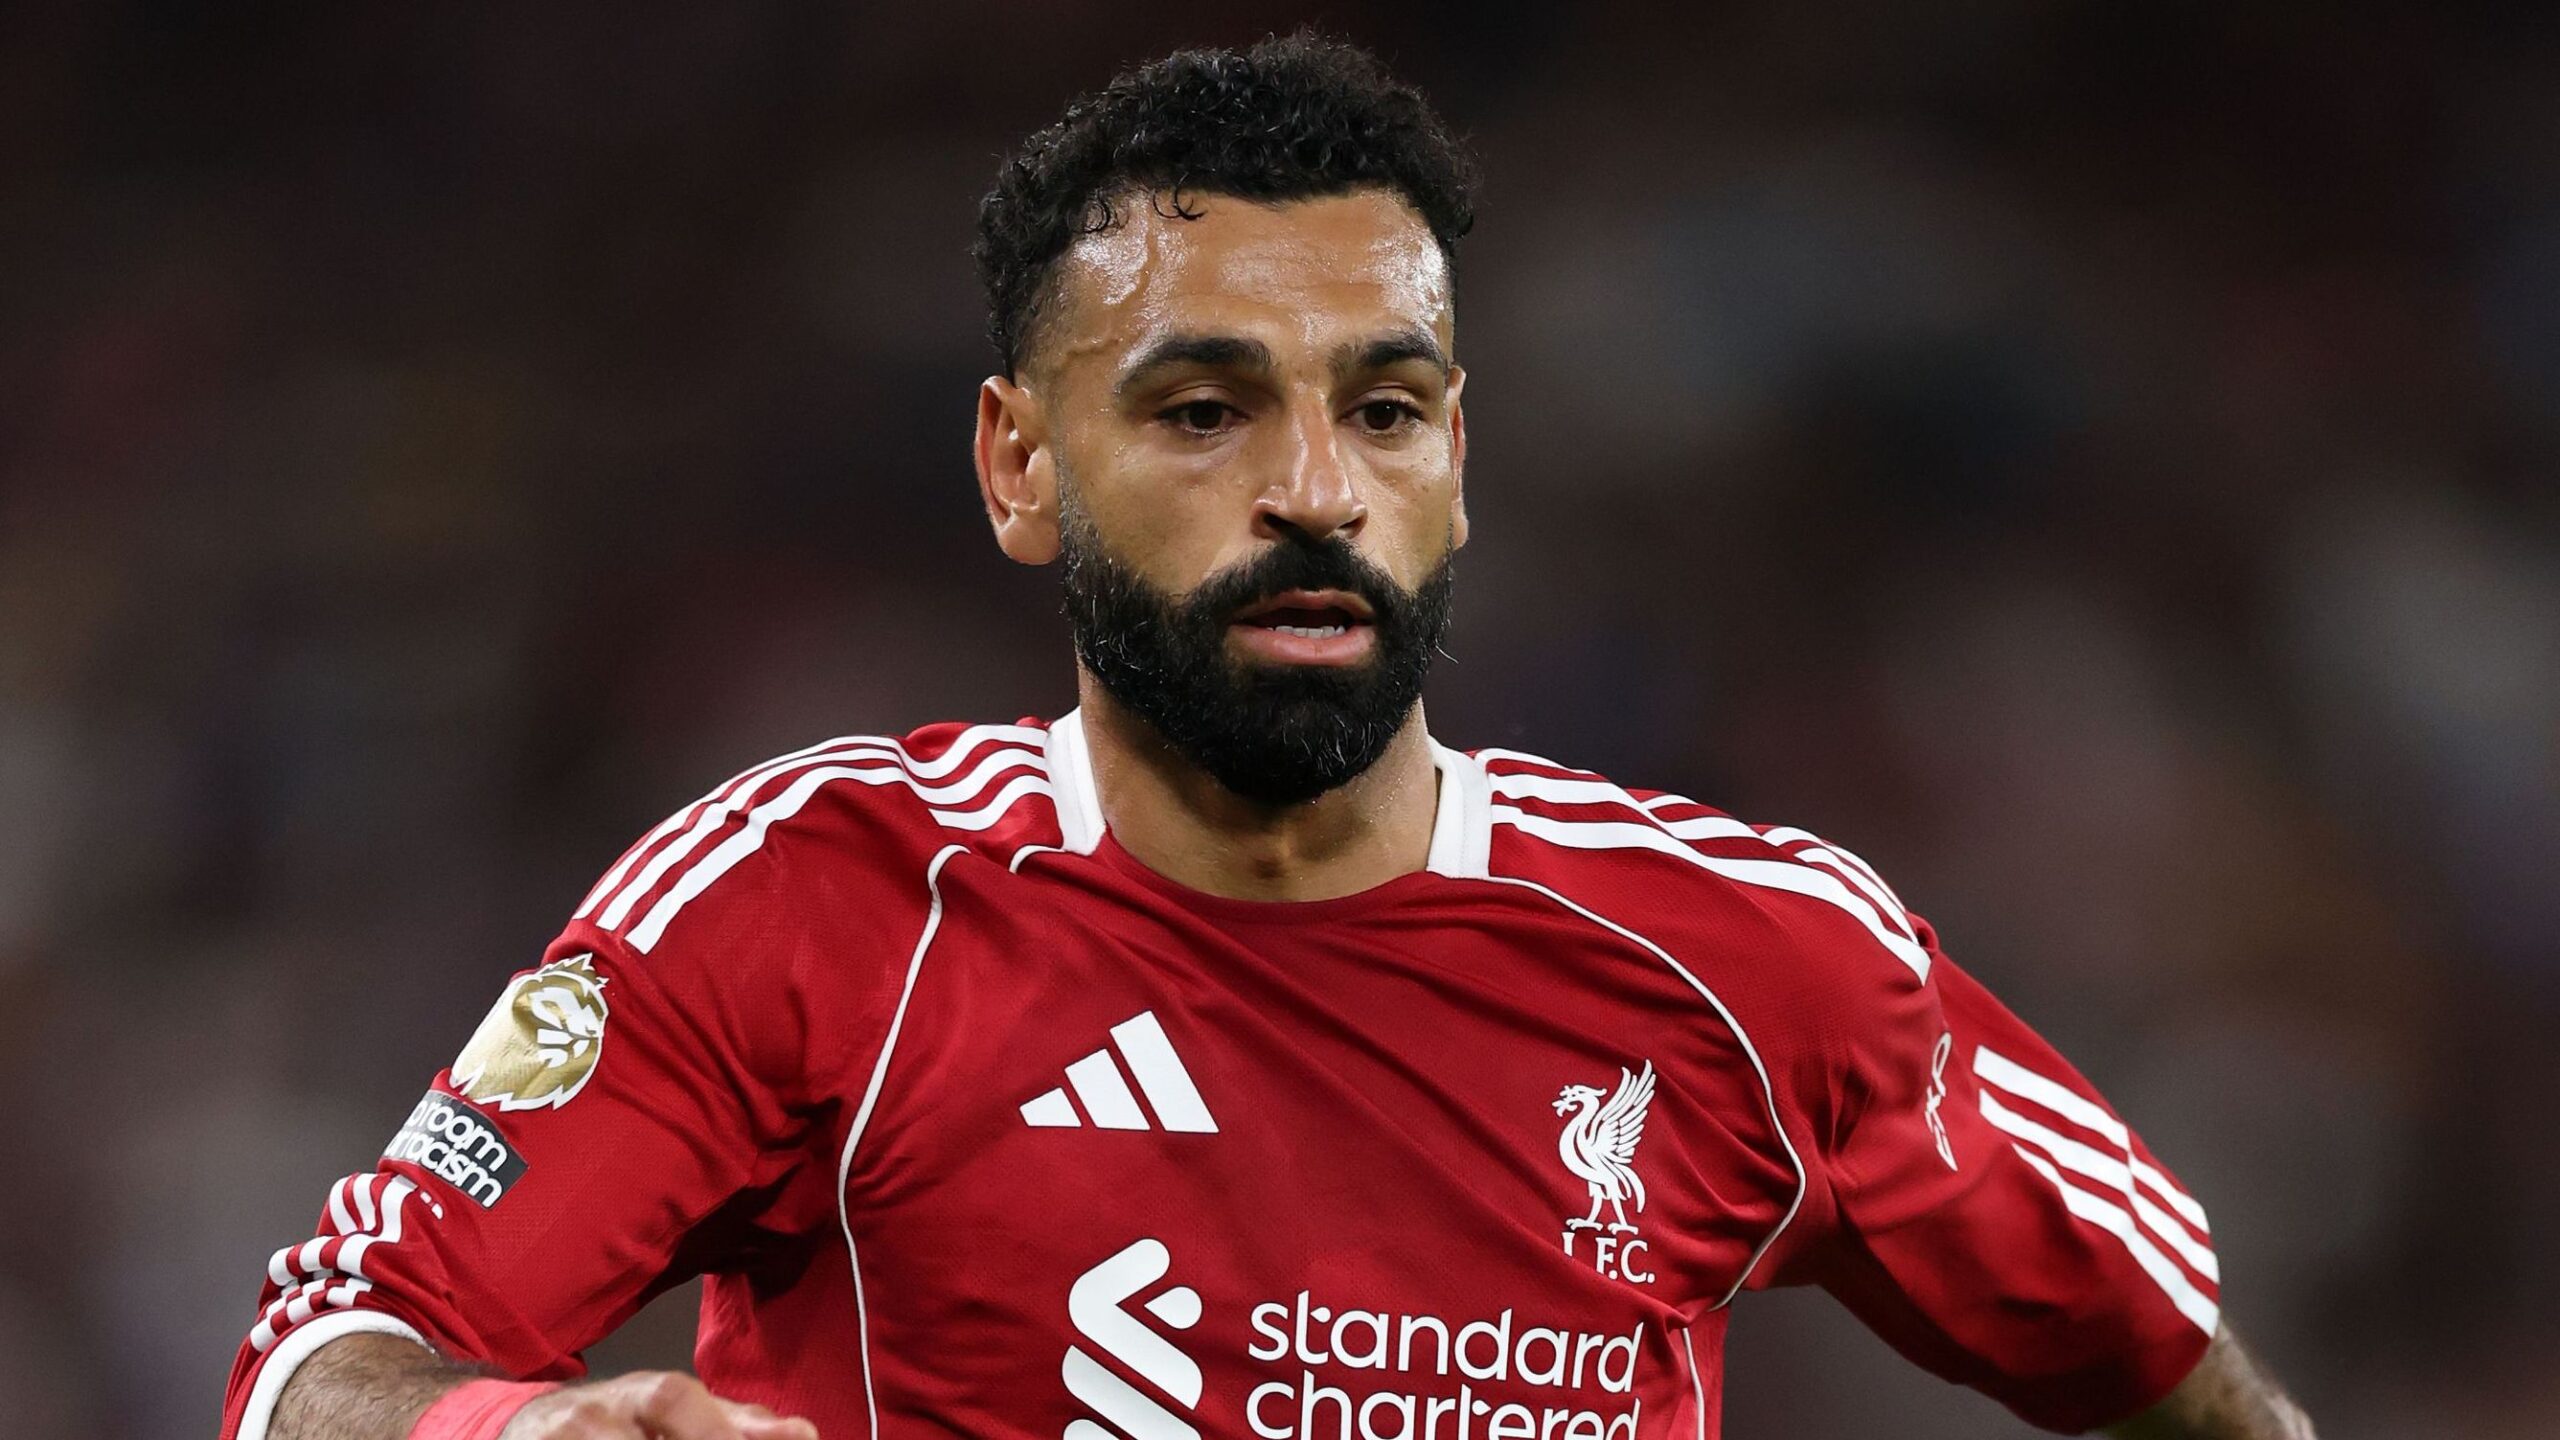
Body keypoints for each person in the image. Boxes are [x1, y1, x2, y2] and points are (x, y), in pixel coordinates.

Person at [220, 32, 2318, 1440]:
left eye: (1383, 410)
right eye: (1204, 408)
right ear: (1020, 465)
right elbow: (321, 1362)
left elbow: (2168, 1369)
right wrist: (514, 1434)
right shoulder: (816, 903)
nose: (1314, 490)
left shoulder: (1761, 963)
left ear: (1456, 462)